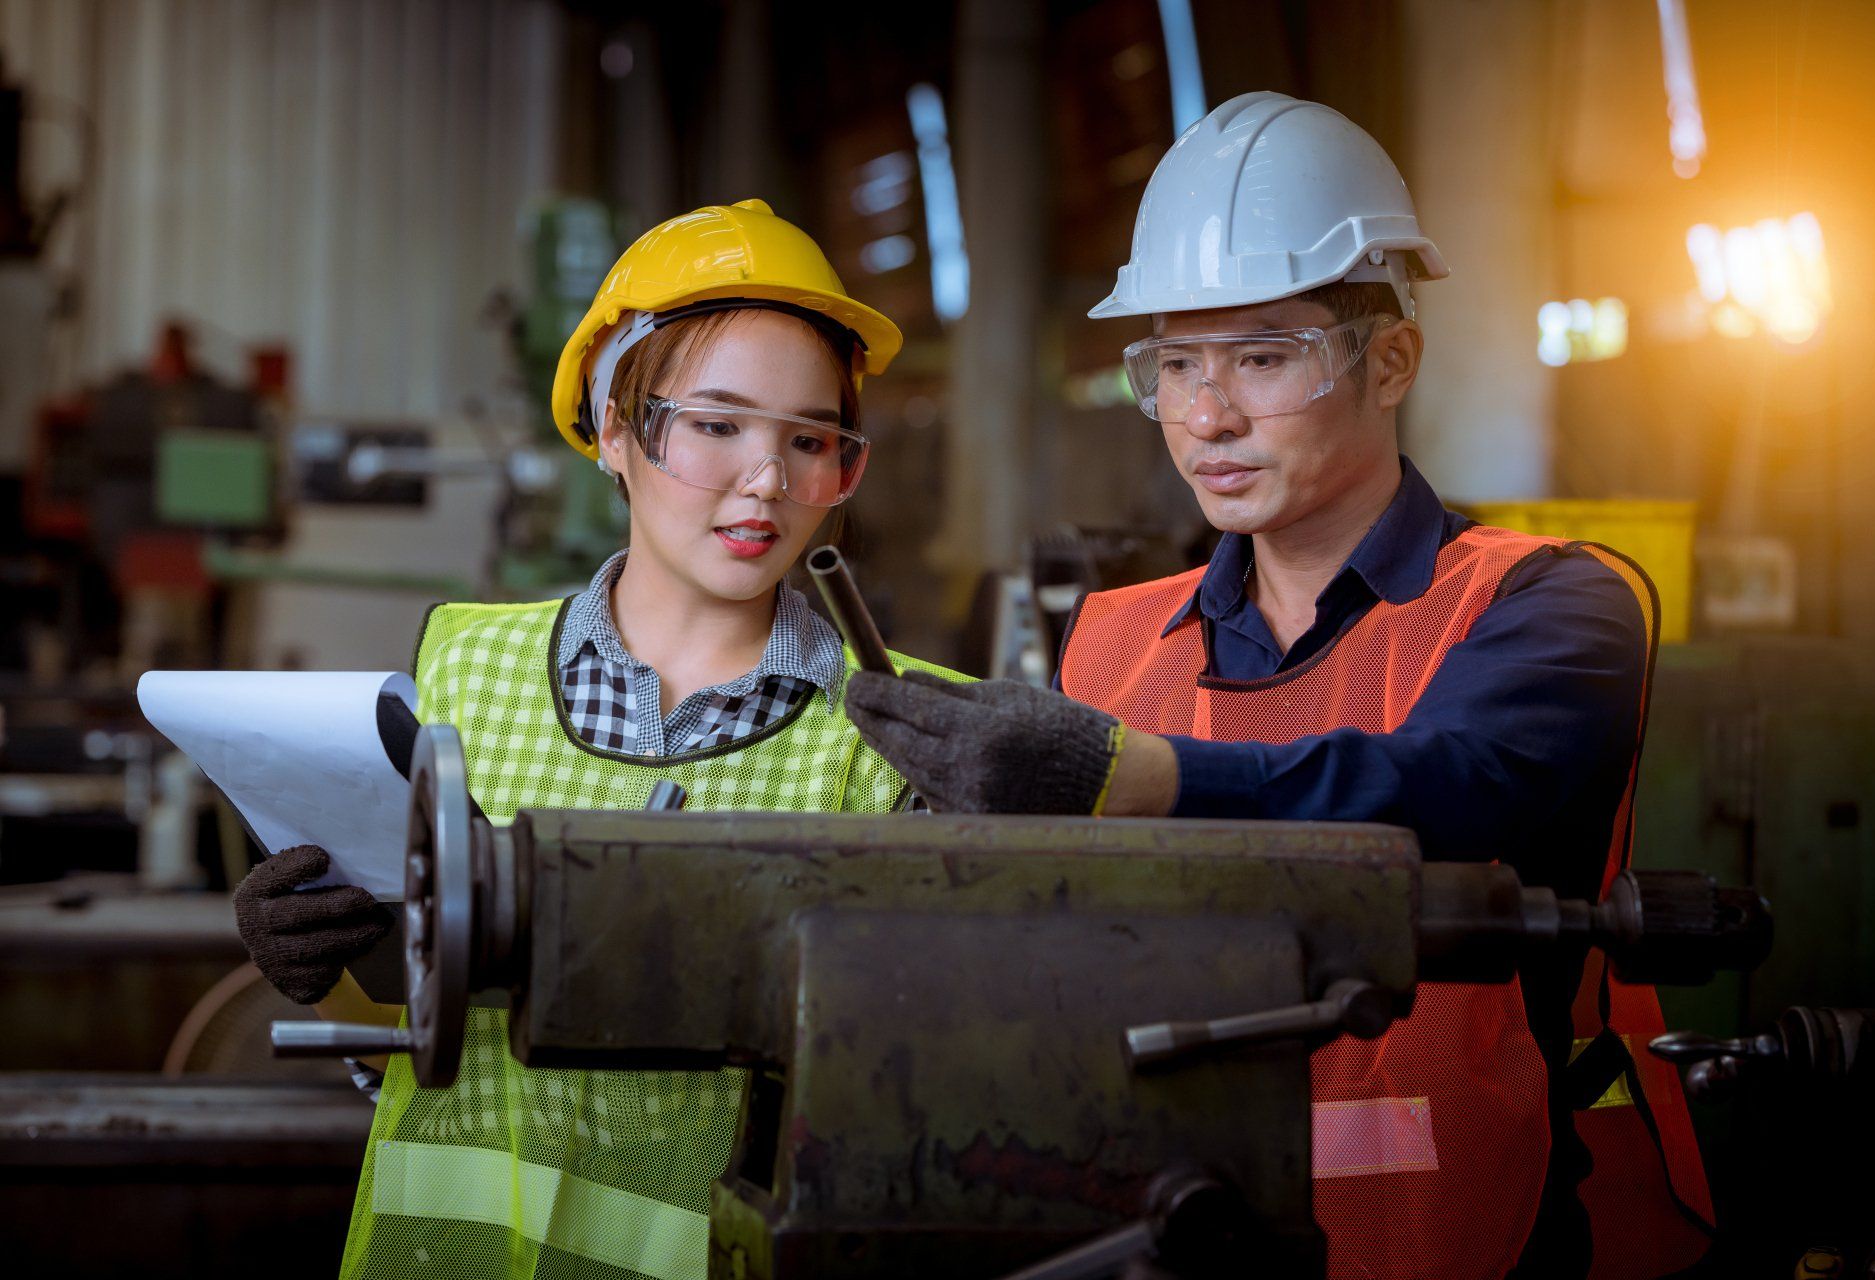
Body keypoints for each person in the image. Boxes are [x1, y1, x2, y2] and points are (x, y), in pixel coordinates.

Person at [843, 94, 1710, 1279]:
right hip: (1166, 1239)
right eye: (1175, 364)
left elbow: (1448, 798)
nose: (1207, 415)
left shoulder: (1549, 606)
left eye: (1262, 355)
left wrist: (1128, 780)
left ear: (1390, 356)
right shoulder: (1111, 642)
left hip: (1479, 1243)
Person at [229, 199, 959, 1280]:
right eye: (716, 425)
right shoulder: (461, 669)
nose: (767, 480)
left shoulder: (904, 729)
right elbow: (400, 1022)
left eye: (810, 440)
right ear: (614, 432)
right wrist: (323, 957)